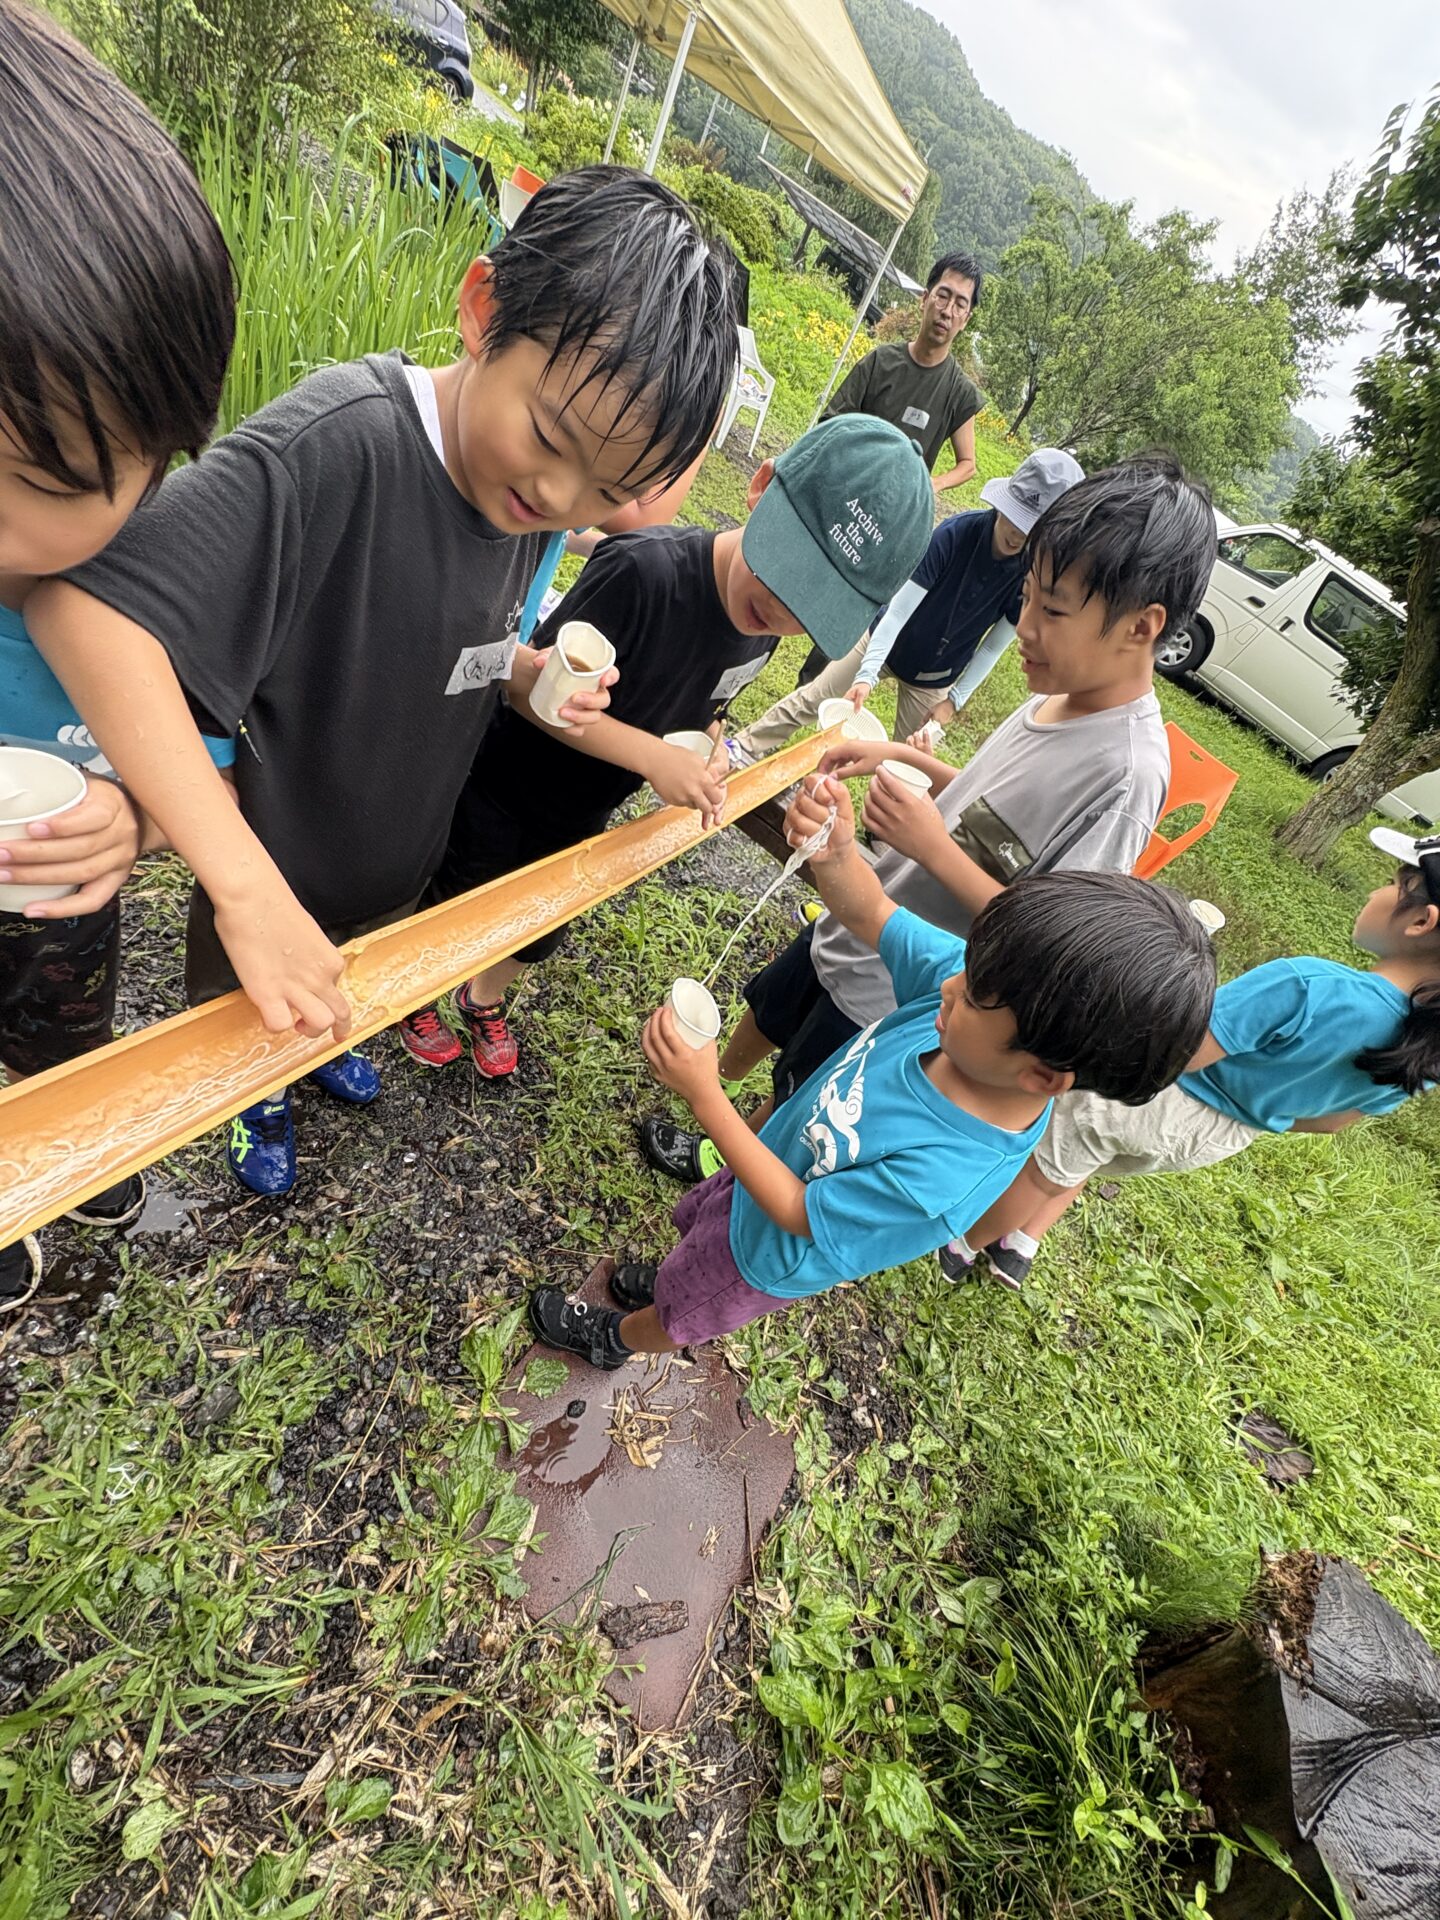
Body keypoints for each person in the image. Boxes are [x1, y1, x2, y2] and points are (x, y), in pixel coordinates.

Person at [24, 166, 738, 1196]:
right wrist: (242, 884)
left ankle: (316, 1050)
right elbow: (86, 608)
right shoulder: (342, 445)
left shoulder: (522, 509)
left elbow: (469, 641)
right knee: (254, 1017)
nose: (555, 497)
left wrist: (529, 671)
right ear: (482, 308)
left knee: (333, 986)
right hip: (276, 877)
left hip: (386, 871)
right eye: (550, 440)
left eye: (608, 490)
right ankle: (256, 1095)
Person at [641, 454, 1217, 1185]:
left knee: (803, 1086)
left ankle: (725, 1165)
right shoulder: (1059, 694)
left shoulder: (1126, 775)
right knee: (779, 1000)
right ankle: (709, 1086)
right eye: (1028, 597)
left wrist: (930, 844)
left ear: (1143, 627)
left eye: (1053, 610)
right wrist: (886, 752)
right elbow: (984, 794)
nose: (1026, 627)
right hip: (863, 910)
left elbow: (1052, 944)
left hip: (904, 976)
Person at [525, 779, 1215, 1367]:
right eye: (970, 969)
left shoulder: (943, 1175)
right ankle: (669, 1277)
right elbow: (871, 910)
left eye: (974, 997)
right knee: (692, 1249)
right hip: (759, 1173)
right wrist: (837, 852)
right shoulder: (966, 994)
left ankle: (615, 1336)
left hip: (766, 1253)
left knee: (683, 1307)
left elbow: (798, 1213)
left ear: (1039, 1075)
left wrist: (707, 1096)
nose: (952, 986)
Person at [399, 413, 934, 1077]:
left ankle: (483, 996)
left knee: (543, 924)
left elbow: (712, 707)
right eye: (785, 572)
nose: (783, 612)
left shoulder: (762, 630)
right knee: (460, 898)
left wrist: (710, 744)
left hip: (586, 810)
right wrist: (655, 759)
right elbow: (532, 696)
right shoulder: (643, 572)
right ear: (760, 487)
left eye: (814, 608)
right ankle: (416, 995)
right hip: (507, 781)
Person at [0, 0, 236, 1307]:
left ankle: (70, 1148)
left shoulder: (144, 591)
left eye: (50, 479)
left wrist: (136, 817)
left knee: (65, 1038)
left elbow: (208, 765)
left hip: (65, 906)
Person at [943, 827, 1440, 1289]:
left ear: (1421, 920)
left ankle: (963, 1244)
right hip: (1221, 1137)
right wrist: (1259, 1104)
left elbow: (1186, 1051)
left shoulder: (1311, 984)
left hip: (1164, 1094)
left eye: (1394, 883)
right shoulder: (1429, 1050)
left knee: (1045, 1169)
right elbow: (1330, 1123)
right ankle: (1022, 1244)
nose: (1377, 892)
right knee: (1081, 1160)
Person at [730, 448, 1083, 758]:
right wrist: (867, 674)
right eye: (1015, 516)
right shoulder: (955, 534)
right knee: (812, 698)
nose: (1018, 533)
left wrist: (953, 701)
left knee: (909, 757)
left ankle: (879, 833)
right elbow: (898, 612)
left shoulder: (1030, 575)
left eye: (1032, 528)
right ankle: (744, 747)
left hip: (936, 676)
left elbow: (992, 649)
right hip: (886, 638)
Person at [789, 250, 987, 689]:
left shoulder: (958, 392)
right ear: (924, 298)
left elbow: (969, 464)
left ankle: (807, 697)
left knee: (840, 623)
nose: (948, 310)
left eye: (960, 304)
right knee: (782, 592)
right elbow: (830, 425)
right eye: (943, 295)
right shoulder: (880, 363)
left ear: (967, 319)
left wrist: (928, 484)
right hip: (836, 507)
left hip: (888, 531)